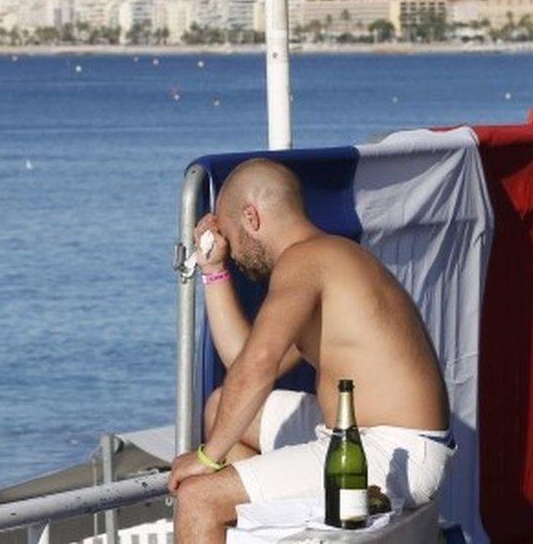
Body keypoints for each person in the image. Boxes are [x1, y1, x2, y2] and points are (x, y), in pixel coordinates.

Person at [167, 158, 453, 543]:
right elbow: (242, 362)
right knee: (221, 408)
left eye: (230, 238)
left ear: (251, 217)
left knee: (198, 499)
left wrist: (206, 459)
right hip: (359, 437)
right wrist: (213, 270)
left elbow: (258, 365)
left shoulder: (304, 261)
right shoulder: (329, 257)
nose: (232, 253)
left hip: (390, 450)